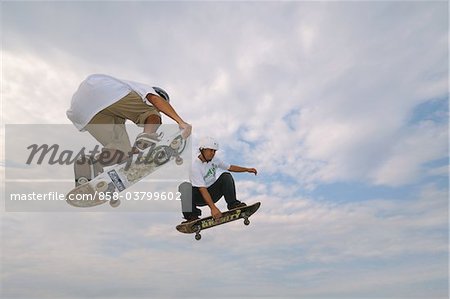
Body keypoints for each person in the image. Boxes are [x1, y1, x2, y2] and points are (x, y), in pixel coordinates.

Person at [66, 74, 192, 184]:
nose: (159, 111)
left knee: (122, 152)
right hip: (103, 90)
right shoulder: (145, 90)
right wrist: (181, 122)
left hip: (82, 111)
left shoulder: (118, 109)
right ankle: (146, 140)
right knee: (150, 113)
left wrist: (134, 152)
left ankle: (89, 164)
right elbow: (154, 99)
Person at [179, 136, 257, 221]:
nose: (213, 153)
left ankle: (233, 205)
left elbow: (230, 167)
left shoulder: (215, 160)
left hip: (213, 193)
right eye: (211, 150)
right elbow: (202, 189)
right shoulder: (195, 167)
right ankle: (191, 216)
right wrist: (213, 208)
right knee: (184, 186)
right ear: (203, 150)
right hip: (199, 197)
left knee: (226, 176)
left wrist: (246, 169)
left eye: (214, 151)